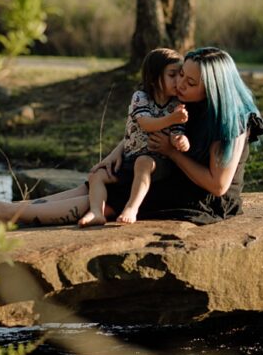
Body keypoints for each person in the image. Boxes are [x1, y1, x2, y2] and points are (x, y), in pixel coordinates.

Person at [0, 47, 263, 228]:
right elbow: (152, 127)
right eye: (180, 75)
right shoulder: (192, 103)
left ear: (213, 87)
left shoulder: (234, 121)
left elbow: (218, 184)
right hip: (175, 176)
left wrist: (173, 155)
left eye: (190, 82)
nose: (181, 85)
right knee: (98, 180)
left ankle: (4, 213)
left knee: (113, 200)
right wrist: (114, 154)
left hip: (203, 201)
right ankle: (12, 207)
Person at [79, 47, 190, 228]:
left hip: (156, 162)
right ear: (154, 78)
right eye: (172, 75)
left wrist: (181, 140)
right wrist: (172, 118)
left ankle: (131, 208)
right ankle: (96, 212)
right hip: (128, 159)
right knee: (96, 175)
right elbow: (146, 124)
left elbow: (178, 130)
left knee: (144, 162)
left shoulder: (177, 105)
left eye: (181, 74)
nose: (178, 80)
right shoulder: (141, 97)